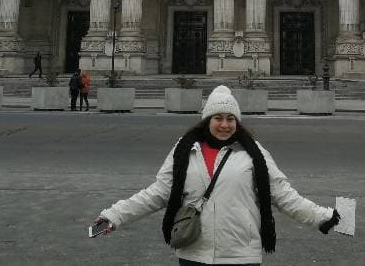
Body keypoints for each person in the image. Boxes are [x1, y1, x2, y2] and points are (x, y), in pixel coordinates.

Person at [92, 85, 341, 265]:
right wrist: (114, 216)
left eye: (230, 118)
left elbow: (284, 196)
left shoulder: (254, 153)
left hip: (240, 255)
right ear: (207, 120)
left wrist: (327, 218)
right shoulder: (185, 149)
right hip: (193, 254)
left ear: (238, 121)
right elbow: (158, 193)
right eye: (218, 118)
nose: (224, 124)